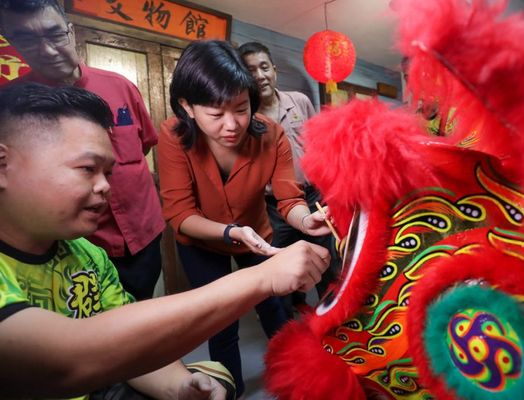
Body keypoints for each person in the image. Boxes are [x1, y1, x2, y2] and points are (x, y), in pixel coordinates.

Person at [0, 82, 330, 399]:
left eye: (108, 173)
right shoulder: (176, 137)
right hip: (207, 245)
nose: (105, 186)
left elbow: (129, 345)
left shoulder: (88, 256)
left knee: (216, 376)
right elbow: (67, 361)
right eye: (87, 168)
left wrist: (179, 387)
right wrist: (261, 277)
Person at [158, 40, 331, 398]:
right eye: (216, 114)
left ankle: (299, 381)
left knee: (275, 310)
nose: (232, 125)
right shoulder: (173, 136)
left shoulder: (271, 134)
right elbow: (180, 214)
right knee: (221, 323)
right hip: (202, 243)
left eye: (241, 109)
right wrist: (231, 231)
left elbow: (288, 198)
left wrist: (305, 221)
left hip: (257, 236)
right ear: (187, 106)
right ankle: (231, 391)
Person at [0, 0, 164, 300]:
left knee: (141, 312)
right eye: (26, 39)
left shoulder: (121, 86)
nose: (47, 50)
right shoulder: (12, 104)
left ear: (71, 31)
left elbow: (144, 146)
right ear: (11, 42)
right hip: (74, 248)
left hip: (143, 235)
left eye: (54, 34)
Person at [238, 41, 340, 315]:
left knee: (329, 260)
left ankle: (334, 319)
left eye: (264, 67)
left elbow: (319, 145)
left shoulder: (299, 101)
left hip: (312, 195)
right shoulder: (244, 116)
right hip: (272, 206)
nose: (260, 76)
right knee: (281, 265)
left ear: (274, 70)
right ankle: (288, 326)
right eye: (251, 71)